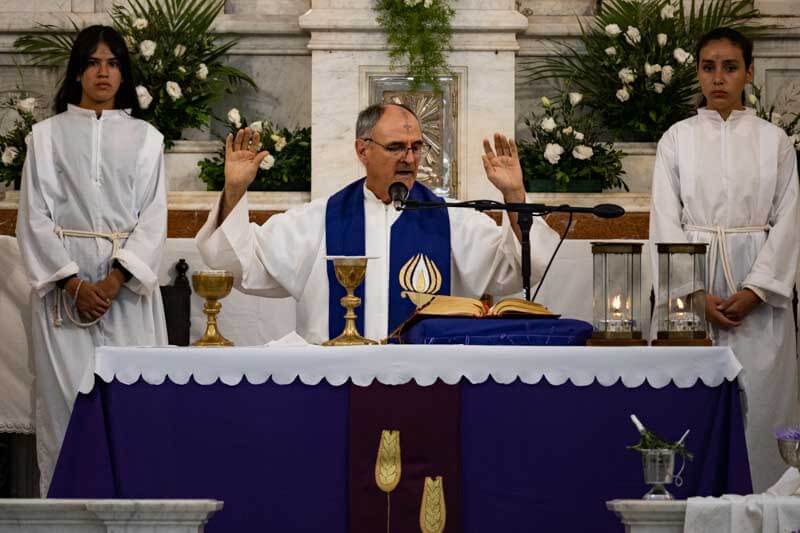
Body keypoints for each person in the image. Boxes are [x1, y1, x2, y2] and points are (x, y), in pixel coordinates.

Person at [196, 102, 559, 342]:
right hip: (337, 387)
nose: (409, 158)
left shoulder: (451, 220)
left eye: (417, 147)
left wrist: (515, 196)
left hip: (430, 386)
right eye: (396, 147)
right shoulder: (321, 219)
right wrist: (233, 190)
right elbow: (238, 262)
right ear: (362, 150)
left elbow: (521, 268)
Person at [16, 25, 168, 494]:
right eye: (93, 62)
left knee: (131, 402)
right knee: (64, 407)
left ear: (124, 73)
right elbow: (34, 217)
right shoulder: (45, 137)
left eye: (113, 62)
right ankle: (61, 515)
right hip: (65, 295)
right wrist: (73, 284)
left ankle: (134, 512)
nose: (103, 72)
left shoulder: (147, 139)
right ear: (78, 71)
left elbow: (153, 217)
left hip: (126, 293)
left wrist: (115, 280)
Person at [649, 27, 799, 492]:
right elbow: (664, 218)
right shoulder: (676, 139)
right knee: (691, 409)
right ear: (698, 73)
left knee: (763, 406)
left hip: (757, 293)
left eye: (730, 67)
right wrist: (692, 294)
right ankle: (688, 501)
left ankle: (768, 504)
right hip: (693, 294)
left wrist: (757, 291)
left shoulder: (774, 141)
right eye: (709, 67)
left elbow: (791, 217)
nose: (719, 78)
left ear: (748, 73)